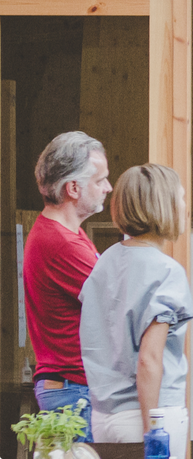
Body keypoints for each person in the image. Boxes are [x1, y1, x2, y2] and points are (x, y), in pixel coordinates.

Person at [79, 164, 193, 459]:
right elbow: (149, 359)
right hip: (150, 416)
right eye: (181, 198)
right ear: (164, 205)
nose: (187, 208)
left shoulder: (103, 264)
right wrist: (151, 433)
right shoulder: (166, 271)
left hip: (104, 418)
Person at [24, 131, 112, 443]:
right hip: (74, 391)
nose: (108, 188)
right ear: (73, 188)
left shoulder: (67, 233)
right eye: (100, 180)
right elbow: (118, 304)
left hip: (71, 388)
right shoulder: (61, 243)